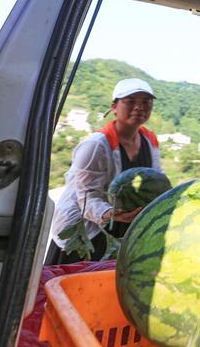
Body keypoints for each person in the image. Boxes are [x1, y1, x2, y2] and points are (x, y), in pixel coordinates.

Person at [46, 78, 162, 264]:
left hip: (122, 228)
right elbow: (85, 198)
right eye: (131, 101)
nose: (139, 107)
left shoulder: (150, 141)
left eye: (146, 102)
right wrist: (109, 214)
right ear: (114, 107)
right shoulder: (96, 145)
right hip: (84, 232)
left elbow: (156, 182)